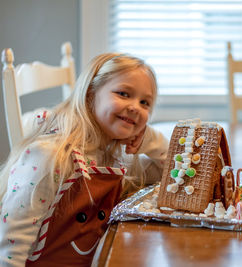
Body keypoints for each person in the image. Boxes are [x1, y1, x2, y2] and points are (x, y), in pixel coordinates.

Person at [0, 53, 169, 266]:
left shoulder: (118, 158)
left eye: (145, 102)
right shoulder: (49, 156)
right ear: (90, 93)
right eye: (124, 93)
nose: (135, 106)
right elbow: (11, 244)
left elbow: (174, 172)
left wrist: (149, 139)